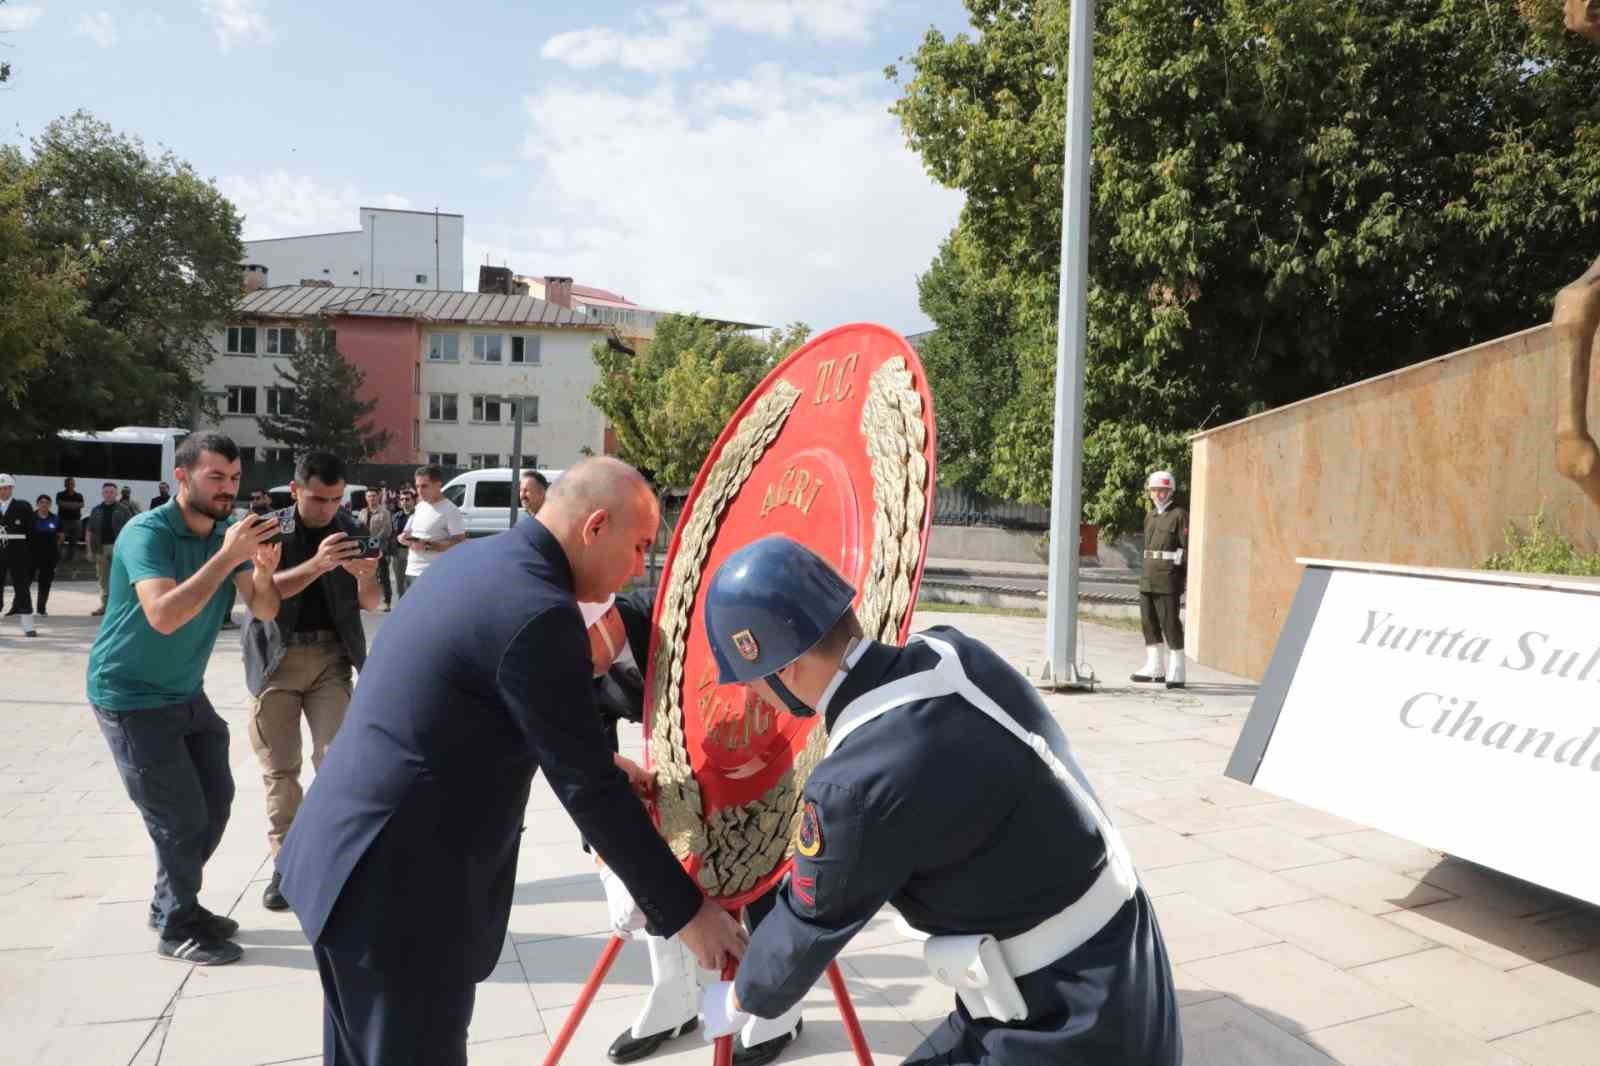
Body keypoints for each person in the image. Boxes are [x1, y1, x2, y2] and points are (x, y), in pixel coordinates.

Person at [276, 457, 747, 1066]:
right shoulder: (540, 610)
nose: (637, 568)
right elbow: (589, 793)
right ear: (595, 526)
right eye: (638, 546)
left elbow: (482, 713)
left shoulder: (481, 561)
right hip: (394, 894)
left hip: (350, 859)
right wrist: (689, 913)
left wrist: (603, 766)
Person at [698, 535, 1183, 1066]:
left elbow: (809, 925)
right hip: (1122, 945)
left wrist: (743, 997)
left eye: (751, 681)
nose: (753, 696)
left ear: (785, 668)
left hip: (1062, 1013)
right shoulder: (953, 649)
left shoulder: (853, 782)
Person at [85, 433, 283, 966]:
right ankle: (178, 926)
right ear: (183, 476)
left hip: (184, 694)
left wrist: (261, 570)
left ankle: (170, 901)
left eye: (235, 478)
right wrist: (228, 557)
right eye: (215, 476)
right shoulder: (145, 533)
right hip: (128, 695)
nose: (227, 489)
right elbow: (165, 615)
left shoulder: (226, 535)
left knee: (215, 803)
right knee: (179, 817)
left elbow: (263, 611)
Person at [581, 591, 801, 1066]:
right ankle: (674, 998)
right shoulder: (570, 667)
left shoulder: (674, 616)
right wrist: (611, 868)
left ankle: (779, 1010)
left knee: (761, 877)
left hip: (755, 757)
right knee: (655, 864)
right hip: (680, 775)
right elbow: (589, 774)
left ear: (604, 613)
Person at [245, 452, 380, 912]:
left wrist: (367, 579)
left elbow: (371, 602)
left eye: (336, 498)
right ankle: (285, 869)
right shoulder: (266, 529)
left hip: (331, 659)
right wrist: (318, 565)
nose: (327, 508)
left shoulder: (352, 528)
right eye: (318, 498)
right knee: (281, 771)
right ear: (295, 488)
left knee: (336, 763)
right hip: (276, 660)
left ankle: (334, 861)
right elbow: (262, 595)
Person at [1131, 471, 1188, 689]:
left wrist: (1182, 579)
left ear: (1171, 491)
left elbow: (1186, 548)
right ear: (1150, 492)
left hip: (1168, 577)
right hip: (1148, 576)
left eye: (1163, 490)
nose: (1159, 494)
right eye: (1155, 490)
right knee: (1149, 622)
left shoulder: (1179, 515)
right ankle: (1155, 667)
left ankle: (1177, 669)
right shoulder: (1150, 516)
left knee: (1170, 622)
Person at [398, 465, 465, 581]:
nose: (419, 491)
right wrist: (403, 539)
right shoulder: (419, 506)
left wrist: (428, 546)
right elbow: (409, 533)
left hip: (434, 574)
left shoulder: (450, 510)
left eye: (424, 486)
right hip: (411, 570)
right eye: (417, 486)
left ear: (438, 485)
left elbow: (459, 542)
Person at [86, 482, 135, 617]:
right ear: (102, 493)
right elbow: (89, 531)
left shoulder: (123, 509)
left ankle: (120, 607)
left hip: (118, 548)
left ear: (116, 493)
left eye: (112, 492)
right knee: (103, 579)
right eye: (106, 492)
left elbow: (131, 529)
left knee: (120, 578)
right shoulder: (96, 510)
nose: (109, 494)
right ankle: (105, 606)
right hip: (100, 548)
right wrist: (89, 550)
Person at [0, 474, 37, 637]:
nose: (3, 491)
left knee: (22, 587)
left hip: (18, 551)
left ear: (12, 489)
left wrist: (29, 555)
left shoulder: (23, 506)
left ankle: (28, 625)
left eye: (7, 488)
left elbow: (31, 532)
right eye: (1, 488)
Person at [354, 489, 394, 611]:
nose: (371, 498)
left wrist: (372, 542)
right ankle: (364, 601)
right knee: (365, 574)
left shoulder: (384, 512)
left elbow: (386, 530)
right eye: (369, 496)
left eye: (374, 496)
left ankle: (386, 601)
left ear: (378, 497)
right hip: (364, 547)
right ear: (366, 498)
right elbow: (358, 528)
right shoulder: (362, 512)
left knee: (383, 575)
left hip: (379, 548)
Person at [30, 495, 61, 617]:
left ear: (50, 505)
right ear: (37, 504)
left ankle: (41, 609)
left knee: (45, 583)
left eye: (47, 503)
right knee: (25, 583)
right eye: (41, 502)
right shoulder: (30, 518)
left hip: (49, 557)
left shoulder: (55, 518)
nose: (44, 505)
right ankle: (20, 607)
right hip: (31, 556)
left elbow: (61, 535)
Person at [389, 487, 415, 599]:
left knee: (412, 582)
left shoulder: (419, 515)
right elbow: (391, 535)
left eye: (407, 499)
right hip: (398, 552)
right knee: (399, 583)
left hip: (413, 551)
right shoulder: (396, 516)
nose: (404, 501)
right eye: (402, 499)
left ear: (413, 500)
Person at [56, 477, 85, 562]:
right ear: (65, 485)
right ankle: (57, 558)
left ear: (74, 485)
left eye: (72, 483)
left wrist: (67, 505)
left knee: (74, 542)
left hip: (76, 521)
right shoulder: (60, 494)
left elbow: (82, 505)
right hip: (63, 521)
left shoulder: (79, 495)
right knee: (60, 540)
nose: (70, 485)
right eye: (68, 484)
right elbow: (60, 503)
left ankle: (69, 560)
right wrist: (74, 505)